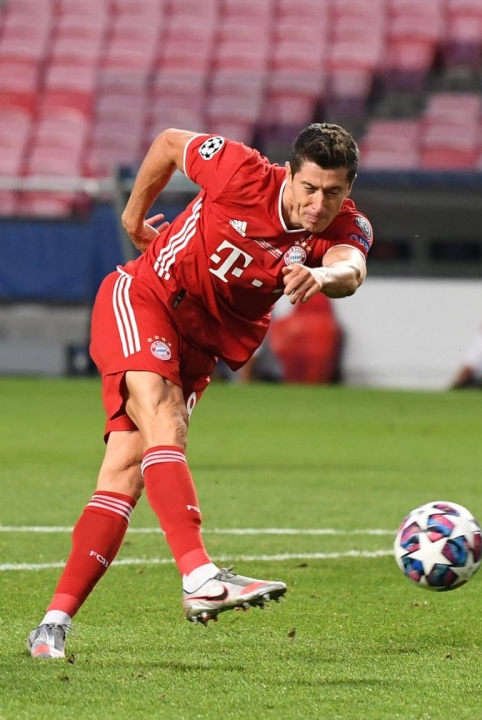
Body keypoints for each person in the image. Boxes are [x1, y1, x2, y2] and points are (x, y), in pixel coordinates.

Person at [25, 123, 371, 659]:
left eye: (334, 192)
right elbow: (165, 142)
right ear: (289, 174)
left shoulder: (344, 225)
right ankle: (200, 576)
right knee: (166, 422)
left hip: (199, 347)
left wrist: (322, 278)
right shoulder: (241, 170)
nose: (318, 203)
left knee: (125, 471)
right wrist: (133, 215)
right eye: (309, 187)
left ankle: (51, 625)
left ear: (348, 189)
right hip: (146, 298)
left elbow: (351, 268)